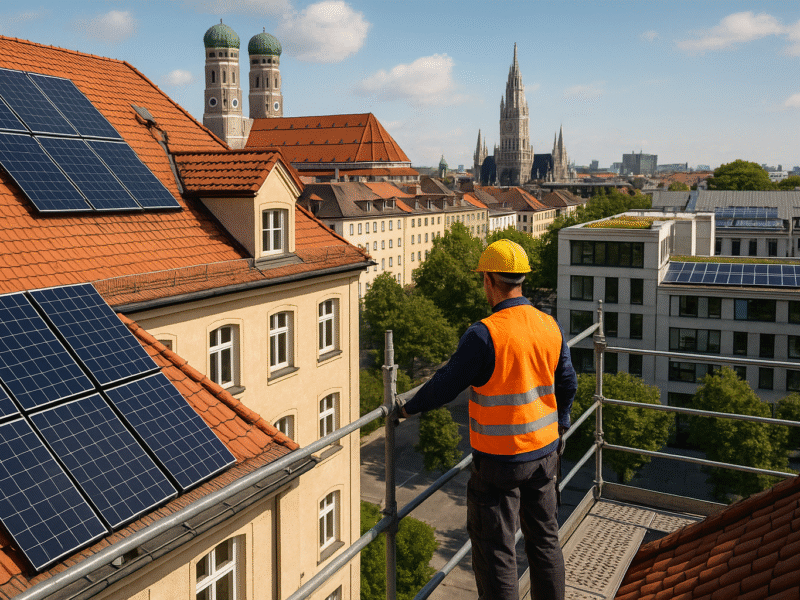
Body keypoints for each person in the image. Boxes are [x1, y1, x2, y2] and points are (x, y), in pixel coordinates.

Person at [400, 239, 577, 600]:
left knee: (497, 552)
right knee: (545, 540)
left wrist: (406, 408)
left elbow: (446, 385)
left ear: (488, 280)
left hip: (499, 463)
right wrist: (562, 424)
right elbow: (569, 383)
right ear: (521, 280)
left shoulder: (484, 333)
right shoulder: (548, 325)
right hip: (545, 454)